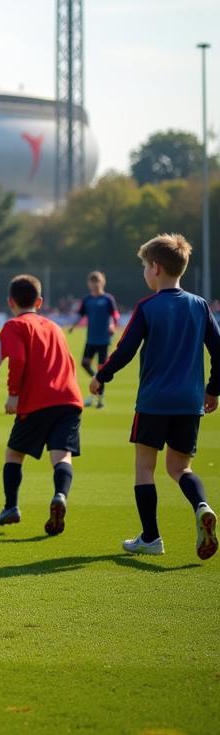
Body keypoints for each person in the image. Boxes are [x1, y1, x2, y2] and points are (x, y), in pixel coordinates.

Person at [89, 234, 219, 559]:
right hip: (190, 404)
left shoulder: (148, 307)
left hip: (153, 402)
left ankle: (151, 538)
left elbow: (126, 350)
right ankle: (201, 505)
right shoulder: (200, 306)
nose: (144, 272)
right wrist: (214, 389)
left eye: (145, 266)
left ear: (156, 268)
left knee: (145, 468)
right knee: (180, 468)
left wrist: (101, 375)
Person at [0, 273, 83, 535]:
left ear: (10, 302)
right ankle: (60, 495)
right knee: (62, 455)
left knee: (14, 454)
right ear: (39, 301)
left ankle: (11, 507)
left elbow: (0, 361)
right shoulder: (54, 326)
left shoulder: (14, 326)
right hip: (69, 399)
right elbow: (67, 362)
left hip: (37, 401)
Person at [69, 271, 119, 409]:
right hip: (91, 339)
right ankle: (96, 379)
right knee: (85, 364)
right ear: (89, 284)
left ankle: (100, 400)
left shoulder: (108, 299)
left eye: (97, 282)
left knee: (101, 367)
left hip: (104, 340)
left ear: (101, 283)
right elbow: (80, 314)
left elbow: (115, 314)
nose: (94, 285)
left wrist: (113, 324)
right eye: (92, 282)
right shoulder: (87, 300)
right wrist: (73, 326)